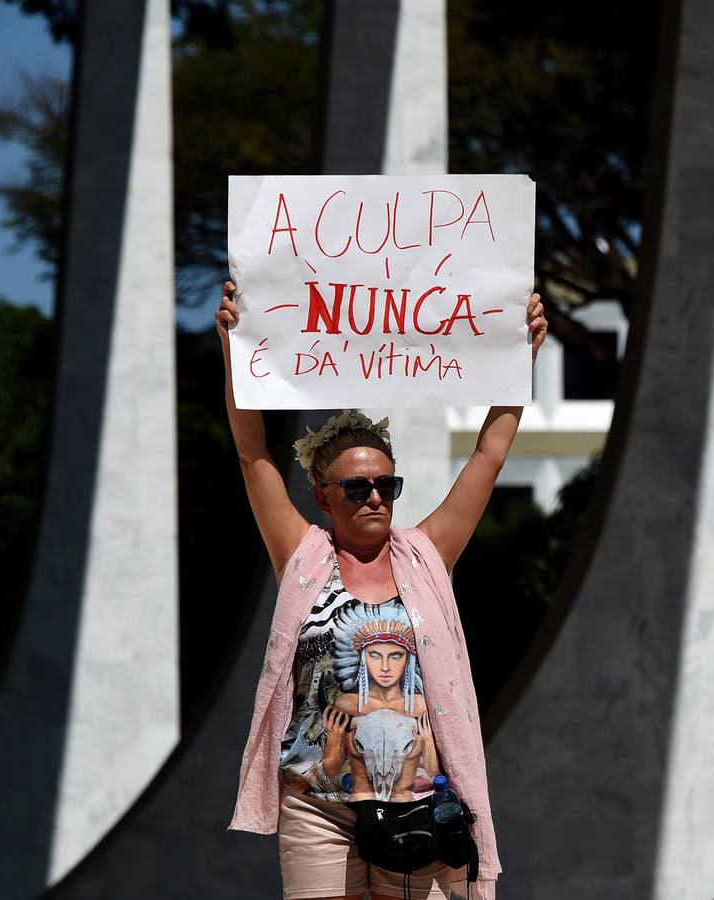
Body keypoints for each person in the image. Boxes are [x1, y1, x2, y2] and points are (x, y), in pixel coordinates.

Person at [218, 279, 546, 900]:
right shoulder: (303, 554)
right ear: (322, 497)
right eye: (356, 487)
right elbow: (251, 454)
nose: (374, 496)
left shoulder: (426, 554)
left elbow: (488, 458)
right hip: (319, 805)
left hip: (420, 802)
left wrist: (518, 355)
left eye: (386, 486)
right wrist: (236, 347)